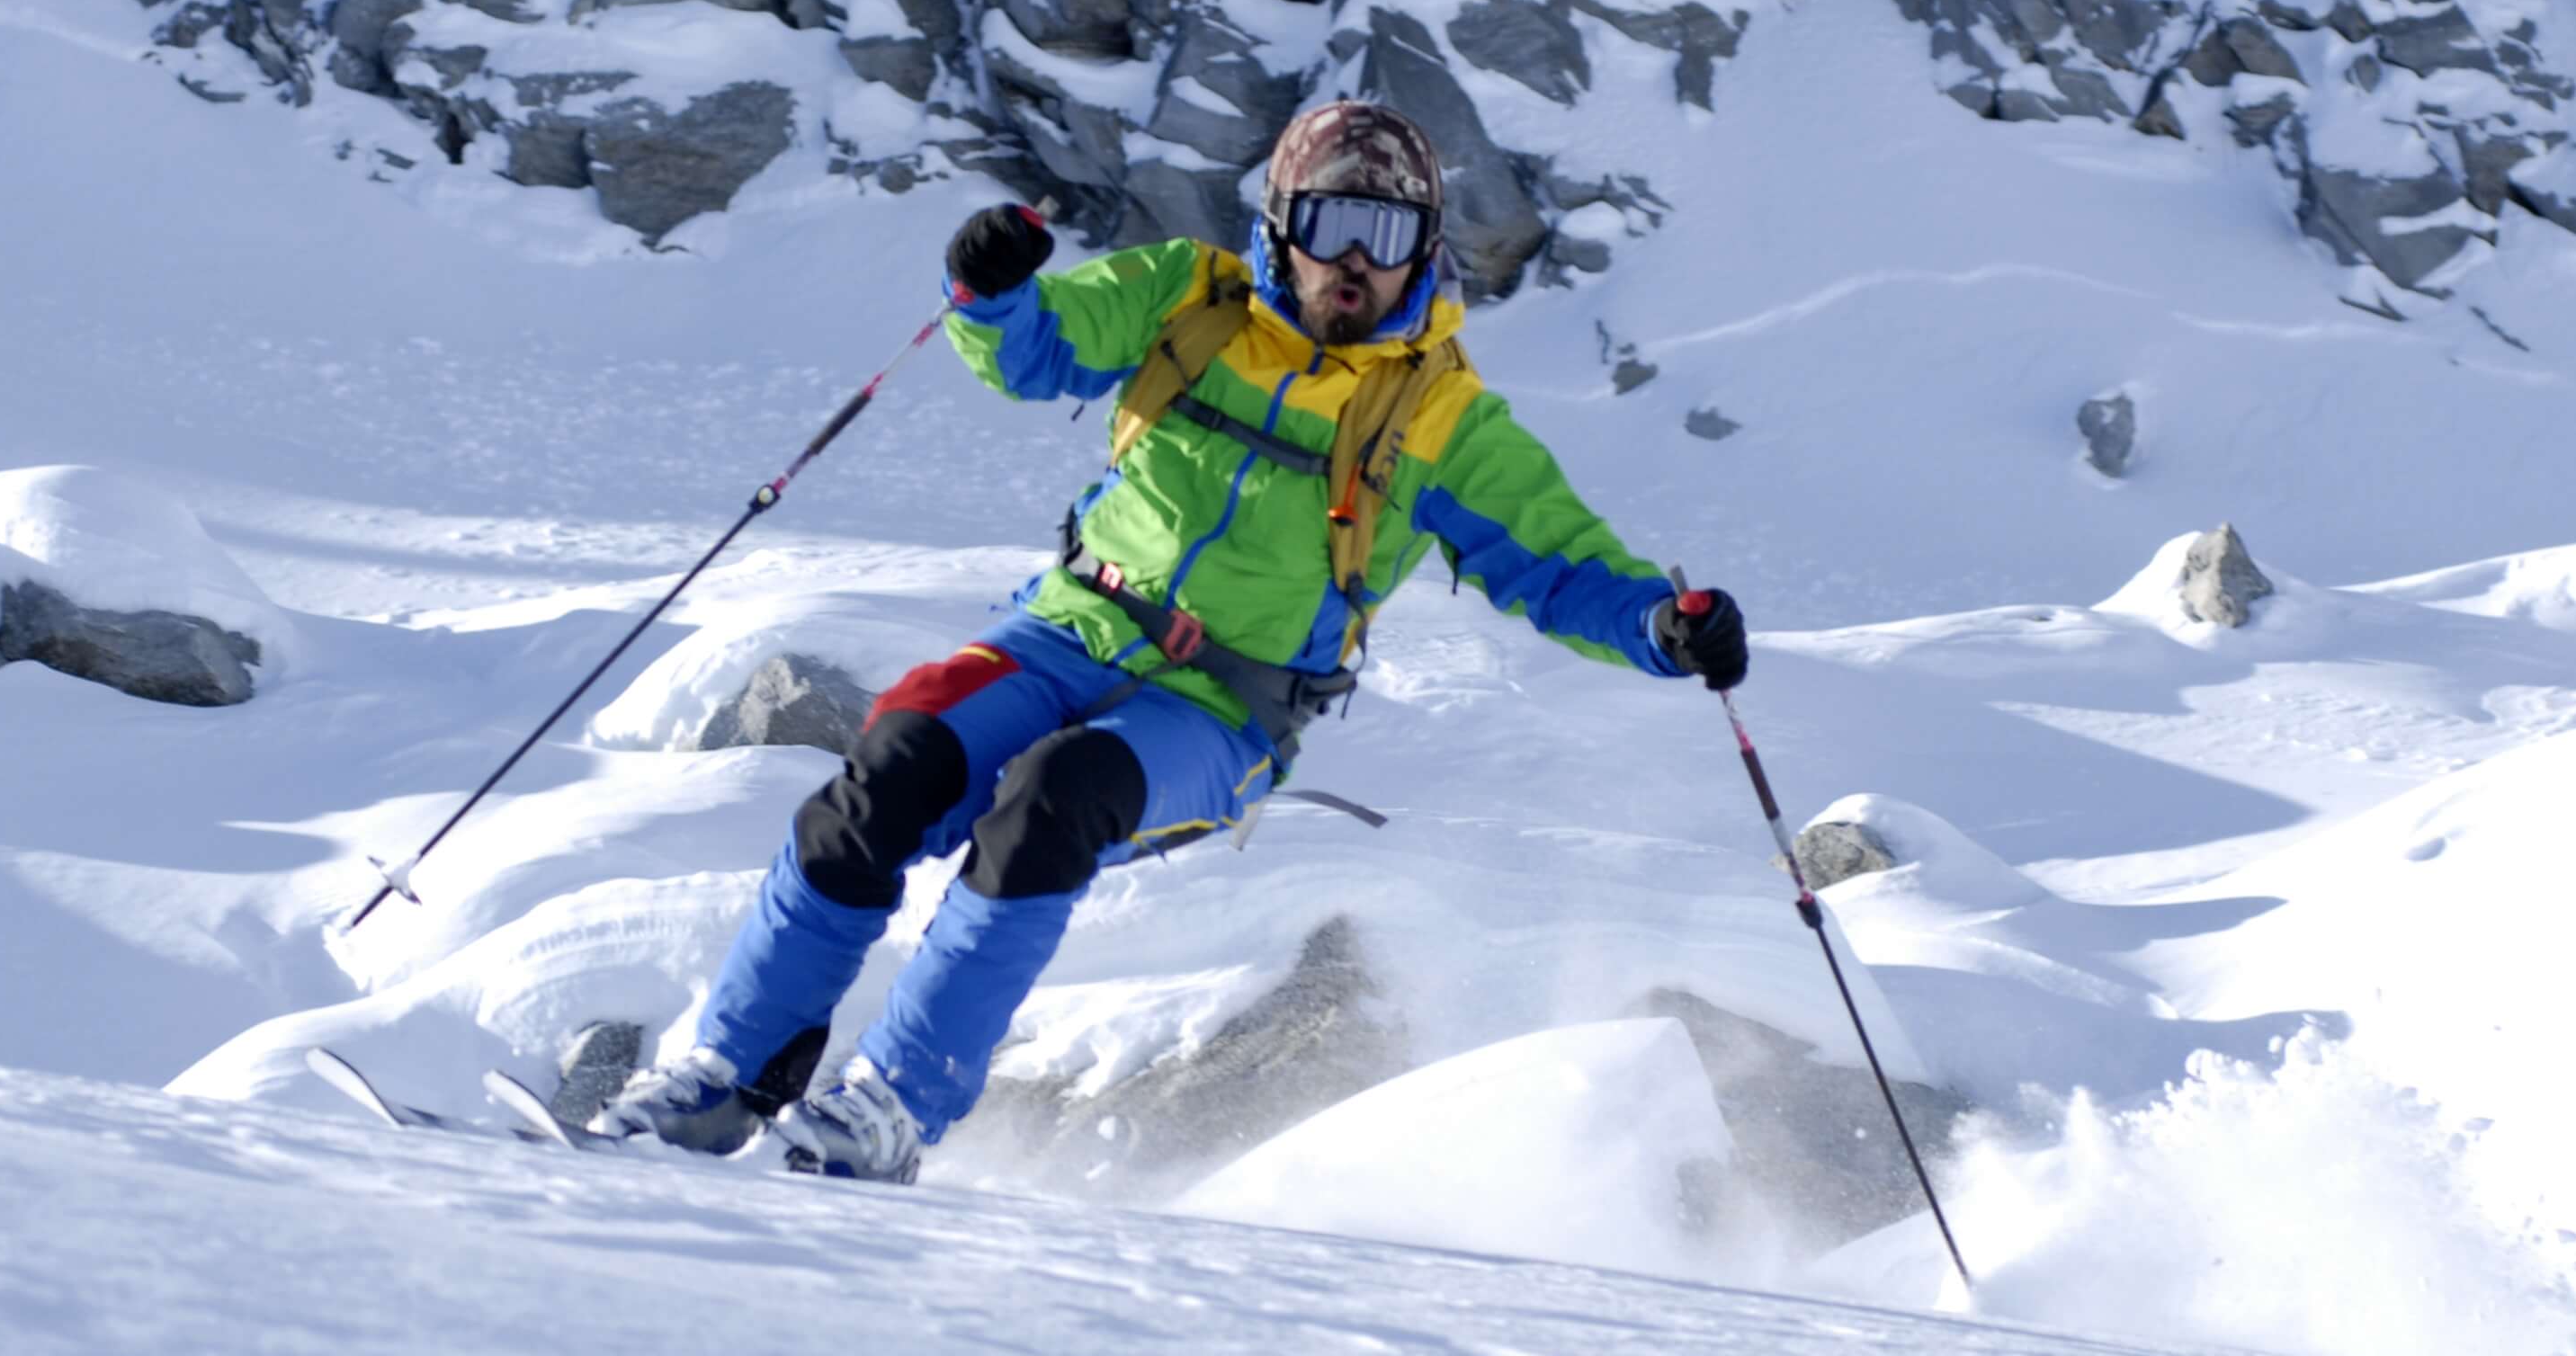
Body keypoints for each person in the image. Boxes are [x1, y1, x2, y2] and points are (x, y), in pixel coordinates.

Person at [591, 100, 1749, 1181]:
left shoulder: (1444, 415)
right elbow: (1038, 350)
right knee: (892, 768)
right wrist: (988, 292)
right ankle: (725, 1075)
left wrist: (1662, 628)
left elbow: (1556, 564)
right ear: (1283, 227)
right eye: (1336, 226)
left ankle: (895, 1101)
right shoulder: (1183, 298)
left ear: (1423, 244)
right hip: (1067, 630)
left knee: (1056, 799)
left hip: (1223, 709)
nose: (1359, 261)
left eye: (1388, 234)